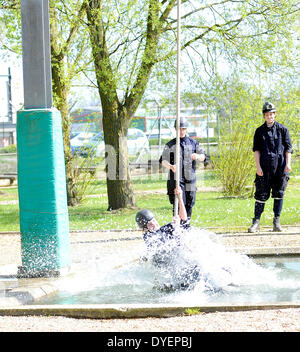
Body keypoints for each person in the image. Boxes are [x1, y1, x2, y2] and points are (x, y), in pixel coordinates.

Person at [248, 102, 293, 233]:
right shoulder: (259, 131)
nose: (270, 117)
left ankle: (276, 222)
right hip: (264, 168)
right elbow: (256, 150)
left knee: (279, 194)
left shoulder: (283, 129)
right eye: (267, 115)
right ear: (264, 116)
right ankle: (256, 222)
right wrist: (258, 167)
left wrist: (288, 164)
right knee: (261, 195)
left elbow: (288, 149)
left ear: (275, 114)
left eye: (272, 114)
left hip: (280, 168)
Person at [159, 118, 206, 221]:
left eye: (183, 128)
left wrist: (197, 156)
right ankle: (177, 227)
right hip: (176, 179)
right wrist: (170, 166)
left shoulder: (193, 143)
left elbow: (203, 156)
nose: (181, 131)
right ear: (175, 129)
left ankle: (186, 226)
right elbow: (163, 161)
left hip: (190, 178)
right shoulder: (170, 144)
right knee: (179, 203)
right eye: (179, 129)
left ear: (186, 129)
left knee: (190, 203)